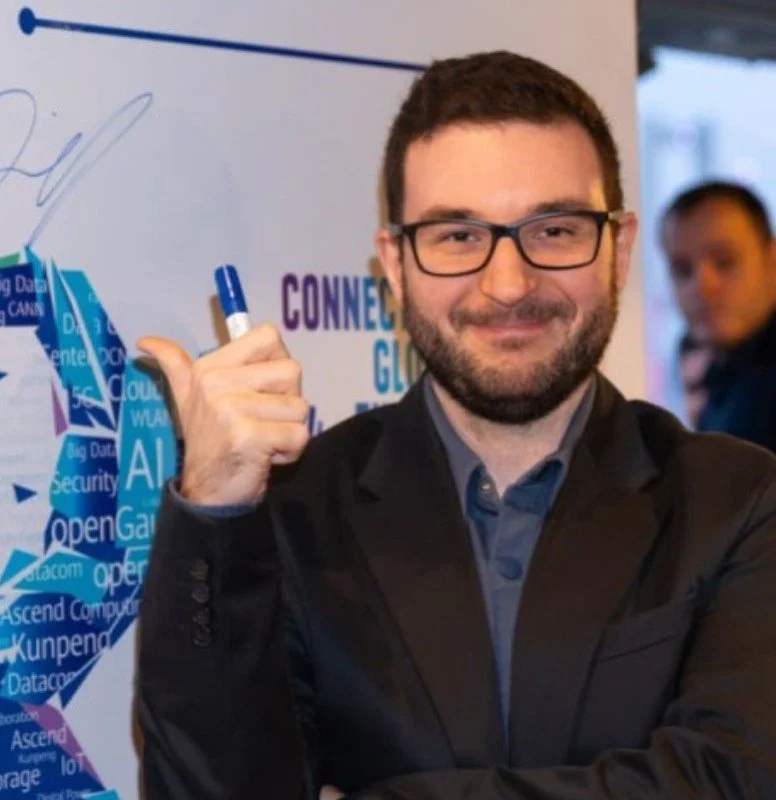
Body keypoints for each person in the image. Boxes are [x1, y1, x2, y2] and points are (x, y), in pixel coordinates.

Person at [136, 52, 776, 799]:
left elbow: (734, 781)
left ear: (619, 248)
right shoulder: (296, 511)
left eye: (556, 230)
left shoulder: (739, 503)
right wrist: (213, 507)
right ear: (395, 266)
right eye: (457, 237)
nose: (508, 285)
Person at [661, 181, 776, 450]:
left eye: (725, 262)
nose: (701, 287)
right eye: (682, 270)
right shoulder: (712, 369)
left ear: (772, 261)